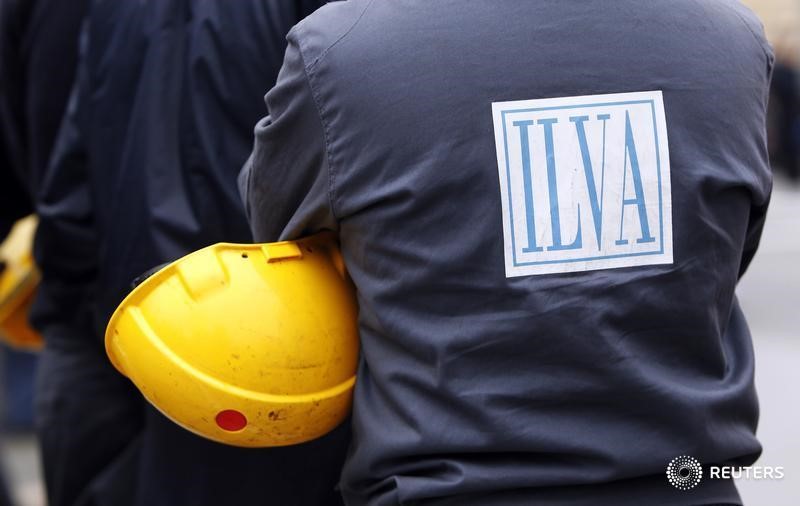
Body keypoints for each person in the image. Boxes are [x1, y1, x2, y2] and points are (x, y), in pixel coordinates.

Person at [240, 1, 773, 504]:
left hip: (441, 486)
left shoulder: (341, 49)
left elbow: (277, 232)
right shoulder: (731, 39)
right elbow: (722, 260)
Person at [35, 0, 348, 504]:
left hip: (128, 319)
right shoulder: (336, 19)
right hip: (270, 342)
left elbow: (71, 181)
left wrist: (69, 308)